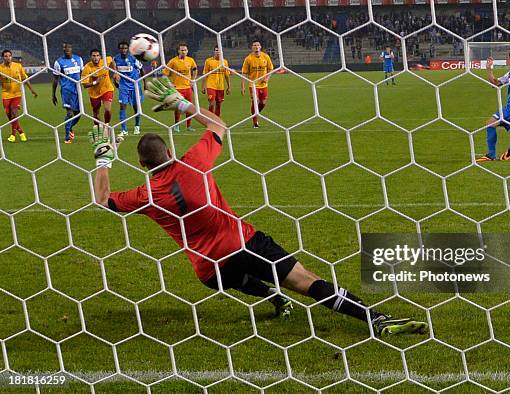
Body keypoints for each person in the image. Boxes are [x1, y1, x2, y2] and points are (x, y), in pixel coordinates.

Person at [89, 77, 428, 337]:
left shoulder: (146, 194)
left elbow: (103, 200)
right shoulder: (193, 162)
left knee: (238, 279)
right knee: (305, 281)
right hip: (243, 242)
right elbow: (219, 125)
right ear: (170, 152)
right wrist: (182, 103)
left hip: (209, 270)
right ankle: (376, 320)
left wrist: (103, 159)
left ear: (142, 164)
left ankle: (274, 298)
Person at [0, 49, 37, 142]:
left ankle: (13, 135)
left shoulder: (18, 66)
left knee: (14, 113)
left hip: (17, 94)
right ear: (2, 57)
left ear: (11, 57)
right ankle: (21, 132)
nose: (8, 57)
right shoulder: (0, 68)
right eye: (5, 56)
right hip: (6, 94)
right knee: (9, 115)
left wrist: (32, 90)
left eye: (9, 56)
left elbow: (25, 78)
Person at [162, 43, 197, 133]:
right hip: (177, 88)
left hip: (187, 88)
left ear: (187, 51)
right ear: (178, 51)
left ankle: (188, 126)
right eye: (182, 50)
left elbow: (194, 69)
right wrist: (169, 84)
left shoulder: (190, 60)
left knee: (189, 107)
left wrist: (193, 80)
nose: (183, 52)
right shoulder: (173, 61)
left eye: (185, 50)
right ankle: (176, 125)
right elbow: (164, 74)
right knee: (178, 107)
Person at [52, 43, 83, 144]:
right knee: (69, 113)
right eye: (64, 47)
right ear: (63, 49)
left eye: (68, 47)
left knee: (78, 114)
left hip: (77, 90)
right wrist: (53, 94)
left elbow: (82, 74)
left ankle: (69, 128)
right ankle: (67, 137)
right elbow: (55, 79)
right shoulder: (58, 62)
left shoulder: (79, 59)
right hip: (66, 90)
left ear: (71, 48)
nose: (66, 49)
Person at [113, 41, 144, 136]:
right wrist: (115, 82)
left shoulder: (133, 58)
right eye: (121, 48)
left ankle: (137, 126)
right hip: (123, 86)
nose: (123, 50)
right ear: (119, 49)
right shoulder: (116, 59)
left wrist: (145, 83)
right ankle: (124, 130)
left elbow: (142, 70)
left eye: (125, 48)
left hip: (135, 85)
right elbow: (115, 72)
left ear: (128, 49)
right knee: (122, 106)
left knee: (136, 107)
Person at [241, 40, 273, 128]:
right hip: (253, 84)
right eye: (254, 45)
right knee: (256, 101)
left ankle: (254, 113)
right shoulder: (248, 59)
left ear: (260, 47)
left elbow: (270, 69)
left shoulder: (265, 57)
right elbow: (244, 73)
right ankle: (255, 122)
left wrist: (267, 79)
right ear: (252, 47)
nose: (256, 46)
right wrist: (243, 87)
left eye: (257, 45)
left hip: (263, 85)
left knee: (263, 103)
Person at [81, 49, 115, 126]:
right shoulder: (87, 68)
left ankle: (106, 125)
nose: (96, 58)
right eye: (93, 56)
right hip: (94, 93)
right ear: (90, 57)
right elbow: (85, 85)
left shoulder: (105, 61)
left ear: (100, 56)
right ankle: (98, 129)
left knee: (108, 109)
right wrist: (96, 82)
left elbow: (112, 60)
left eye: (97, 55)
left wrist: (115, 72)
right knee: (96, 113)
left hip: (107, 89)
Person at [202, 46, 231, 117]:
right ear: (214, 51)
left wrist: (229, 87)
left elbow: (227, 75)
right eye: (216, 50)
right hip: (211, 85)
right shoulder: (208, 61)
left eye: (219, 51)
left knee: (219, 104)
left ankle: (217, 120)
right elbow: (205, 74)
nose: (218, 52)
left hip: (220, 86)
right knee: (211, 103)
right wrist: (203, 87)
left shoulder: (225, 62)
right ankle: (210, 119)